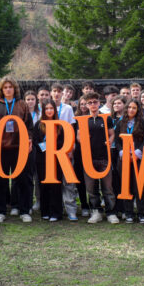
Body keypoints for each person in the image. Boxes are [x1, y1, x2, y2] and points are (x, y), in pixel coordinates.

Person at [0, 77, 34, 223]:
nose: (8, 89)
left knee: (22, 180)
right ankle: (0, 211)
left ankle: (24, 211)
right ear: (1, 89)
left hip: (19, 148)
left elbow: (29, 126)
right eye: (5, 87)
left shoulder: (22, 104)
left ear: (15, 89)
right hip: (0, 149)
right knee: (0, 181)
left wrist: (29, 139)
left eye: (10, 87)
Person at [81, 92, 119, 224]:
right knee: (91, 188)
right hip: (88, 158)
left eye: (95, 102)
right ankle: (96, 212)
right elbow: (78, 136)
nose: (93, 105)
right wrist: (83, 139)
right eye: (90, 103)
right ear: (86, 105)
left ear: (99, 103)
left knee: (108, 188)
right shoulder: (83, 120)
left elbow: (112, 134)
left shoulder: (106, 118)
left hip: (104, 158)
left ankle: (111, 213)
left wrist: (110, 141)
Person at [115, 99, 144, 223]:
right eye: (129, 107)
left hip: (138, 158)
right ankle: (128, 213)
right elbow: (117, 141)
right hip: (124, 158)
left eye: (134, 108)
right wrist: (121, 151)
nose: (131, 110)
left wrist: (139, 151)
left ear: (138, 110)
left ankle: (142, 213)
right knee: (126, 186)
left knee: (139, 186)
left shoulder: (142, 123)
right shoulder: (120, 122)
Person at [33, 99, 65, 222]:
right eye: (47, 109)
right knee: (43, 185)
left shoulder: (60, 125)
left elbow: (62, 142)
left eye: (51, 108)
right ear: (43, 110)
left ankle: (56, 212)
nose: (49, 111)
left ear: (55, 110)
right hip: (42, 159)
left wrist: (53, 147)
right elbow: (36, 141)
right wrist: (46, 147)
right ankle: (45, 211)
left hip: (56, 159)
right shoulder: (38, 124)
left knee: (56, 186)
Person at [51, 83, 79, 221]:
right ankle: (56, 210)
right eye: (54, 91)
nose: (56, 94)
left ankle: (71, 210)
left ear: (62, 93)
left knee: (68, 180)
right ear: (51, 92)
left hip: (65, 148)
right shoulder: (46, 107)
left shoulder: (67, 108)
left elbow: (71, 129)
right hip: (50, 149)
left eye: (59, 91)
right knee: (54, 180)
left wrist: (71, 147)